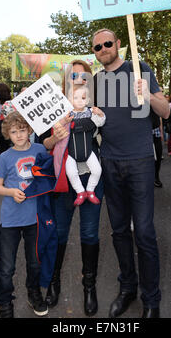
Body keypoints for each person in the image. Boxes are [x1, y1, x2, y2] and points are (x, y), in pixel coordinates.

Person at [92, 28, 170, 319]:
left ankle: (151, 299)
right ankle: (127, 289)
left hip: (139, 161)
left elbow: (165, 110)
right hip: (109, 161)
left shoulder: (139, 69)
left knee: (145, 233)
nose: (103, 49)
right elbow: (90, 119)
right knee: (119, 231)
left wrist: (146, 94)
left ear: (119, 44)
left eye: (107, 43)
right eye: (98, 47)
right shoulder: (96, 81)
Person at [40, 59, 104, 317]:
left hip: (91, 180)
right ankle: (53, 283)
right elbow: (42, 143)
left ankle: (89, 287)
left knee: (89, 235)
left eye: (84, 75)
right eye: (73, 75)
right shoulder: (55, 110)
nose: (79, 78)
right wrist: (56, 136)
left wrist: (98, 118)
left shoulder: (96, 108)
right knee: (61, 233)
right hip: (64, 182)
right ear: (67, 81)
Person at [0, 111, 53, 318]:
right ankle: (5, 303)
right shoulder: (6, 157)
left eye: (23, 130)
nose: (18, 135)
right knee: (7, 267)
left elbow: (51, 162)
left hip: (34, 219)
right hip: (10, 221)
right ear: (8, 134)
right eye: (14, 131)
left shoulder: (39, 149)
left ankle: (33, 293)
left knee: (34, 261)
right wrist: (10, 192)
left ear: (30, 130)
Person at [64, 84, 106, 206]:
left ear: (88, 100)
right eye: (75, 97)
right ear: (69, 99)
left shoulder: (90, 112)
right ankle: (80, 191)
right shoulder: (66, 114)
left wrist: (100, 114)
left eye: (83, 98)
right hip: (71, 152)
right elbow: (58, 127)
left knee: (97, 170)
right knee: (71, 173)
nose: (79, 101)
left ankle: (90, 190)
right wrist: (63, 121)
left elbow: (100, 123)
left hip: (88, 150)